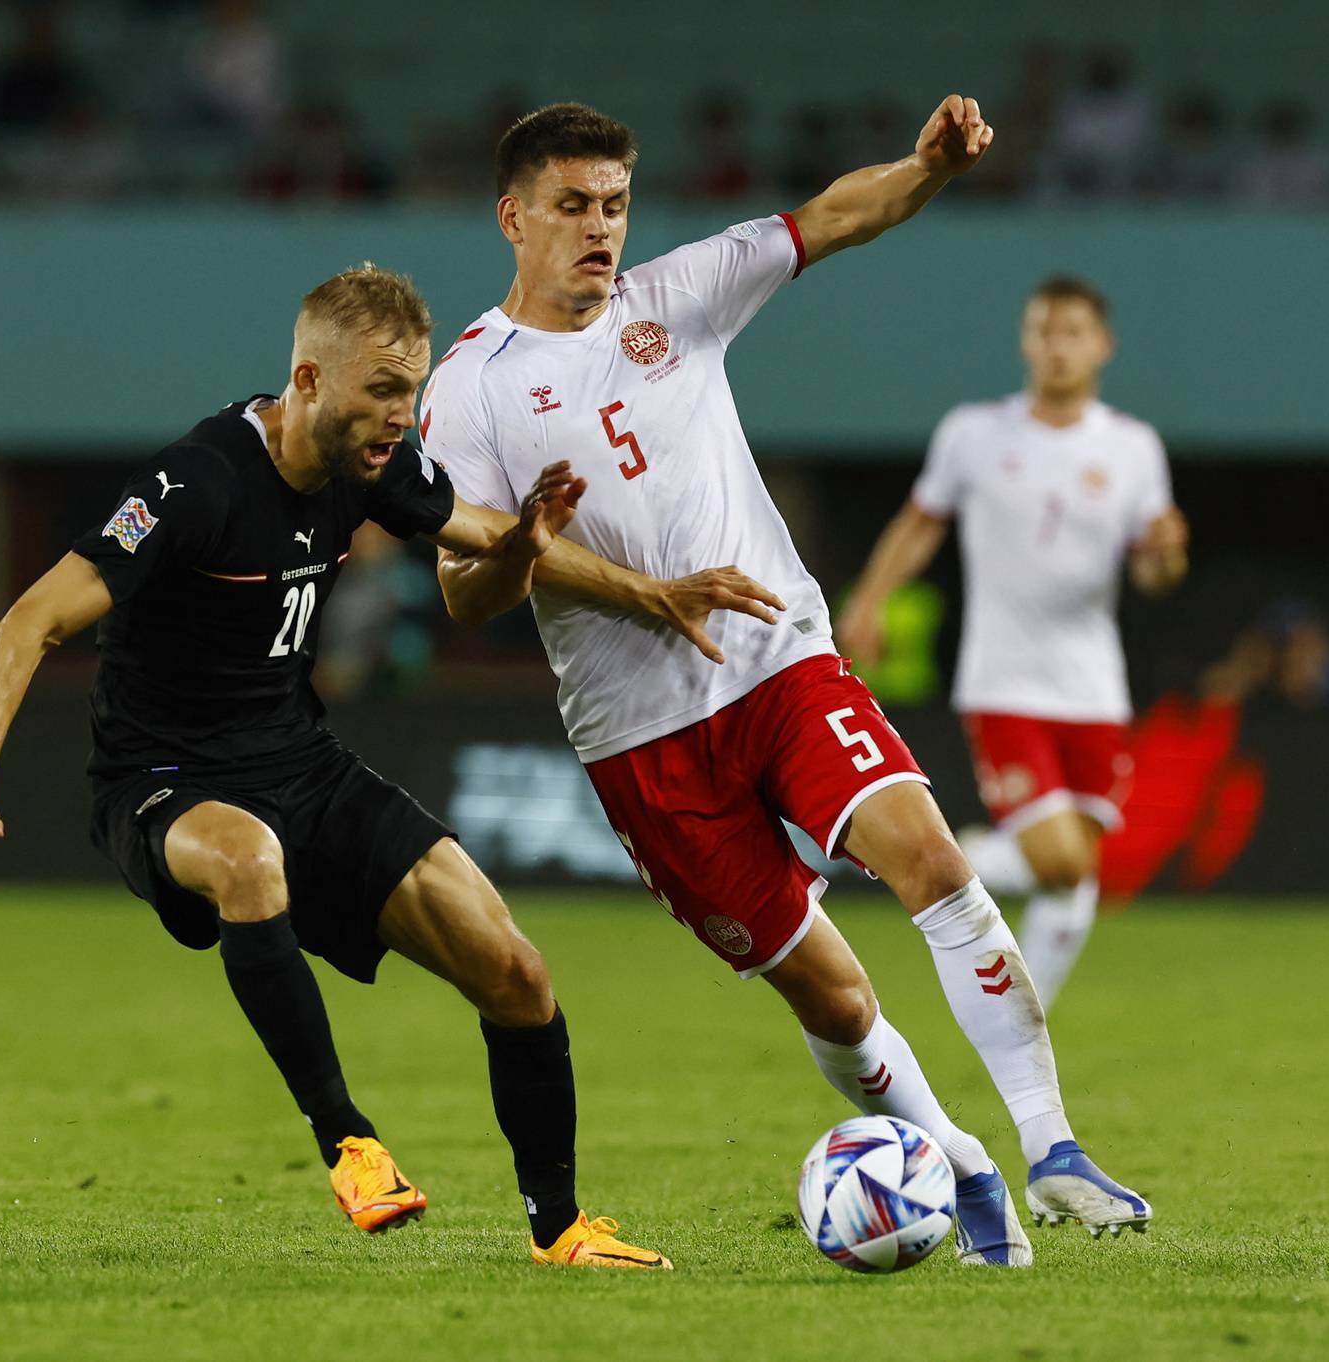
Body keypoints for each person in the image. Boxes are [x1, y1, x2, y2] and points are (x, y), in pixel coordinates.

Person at [0, 265, 781, 1269]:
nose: (401, 417)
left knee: (516, 970)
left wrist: (645, 591)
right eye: (381, 391)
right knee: (247, 862)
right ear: (310, 379)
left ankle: (562, 1230)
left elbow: (491, 536)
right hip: (165, 777)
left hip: (300, 761)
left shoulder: (374, 467)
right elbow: (31, 621)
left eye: (410, 393)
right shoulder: (194, 484)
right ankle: (347, 1140)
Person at [420, 98, 1151, 1269]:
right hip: (639, 738)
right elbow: (462, 592)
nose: (599, 228)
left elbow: (831, 219)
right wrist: (523, 548)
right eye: (572, 206)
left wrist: (930, 169)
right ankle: (962, 1170)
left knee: (935, 863)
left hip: (777, 662)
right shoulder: (470, 389)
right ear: (514, 217)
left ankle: (1053, 1150)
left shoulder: (677, 294)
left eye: (613, 203)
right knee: (836, 1001)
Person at [838, 276, 1189, 1009]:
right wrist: (869, 599)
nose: (1058, 346)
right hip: (1002, 679)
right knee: (1060, 861)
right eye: (1045, 330)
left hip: (1093, 685)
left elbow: (1158, 576)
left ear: (1102, 346)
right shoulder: (976, 433)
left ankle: (1030, 1021)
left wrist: (1167, 550)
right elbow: (921, 523)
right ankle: (961, 858)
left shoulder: (1132, 447)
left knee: (1076, 868)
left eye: (1073, 332)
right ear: (1026, 342)